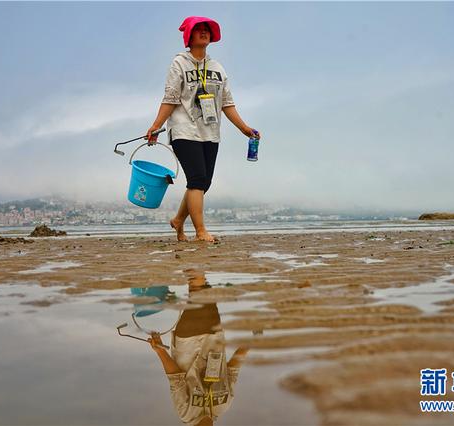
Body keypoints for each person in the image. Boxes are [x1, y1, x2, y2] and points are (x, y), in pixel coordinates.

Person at [145, 16, 261, 243]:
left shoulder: (218, 67)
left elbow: (227, 103)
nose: (204, 32)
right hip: (183, 130)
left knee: (202, 183)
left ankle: (178, 221)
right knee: (197, 179)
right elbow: (170, 98)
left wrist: (244, 128)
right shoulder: (179, 63)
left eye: (207, 29)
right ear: (189, 35)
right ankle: (200, 232)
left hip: (210, 132)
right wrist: (156, 126)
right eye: (198, 29)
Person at [148, 269, 249, 425]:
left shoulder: (186, 413)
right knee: (203, 293)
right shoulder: (223, 406)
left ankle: (195, 252)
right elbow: (232, 370)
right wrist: (250, 343)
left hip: (189, 340)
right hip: (215, 337)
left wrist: (160, 351)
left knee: (197, 292)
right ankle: (193, 252)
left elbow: (176, 378)